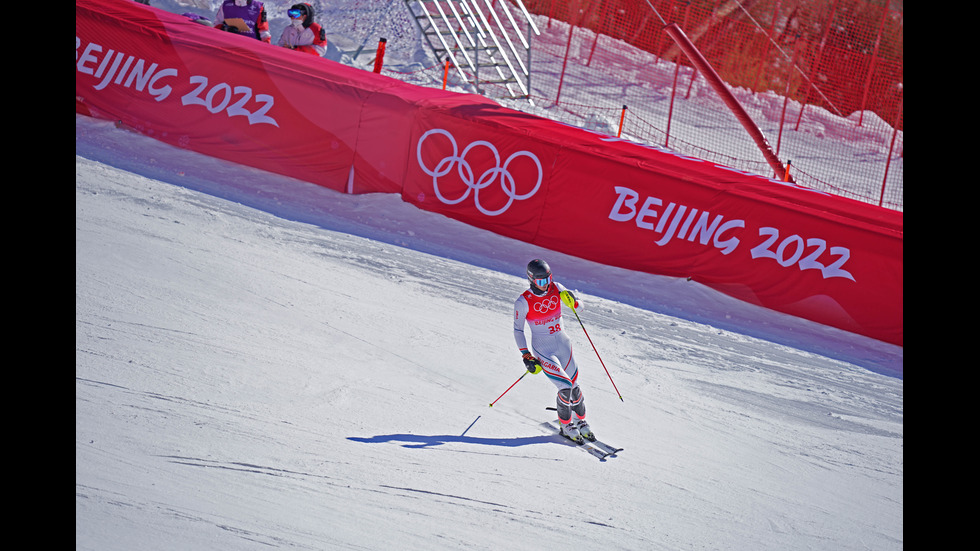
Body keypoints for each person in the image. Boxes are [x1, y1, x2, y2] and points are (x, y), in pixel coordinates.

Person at [513, 259, 593, 443]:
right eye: (541, 282)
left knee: (575, 387)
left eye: (548, 279)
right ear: (531, 280)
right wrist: (526, 355)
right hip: (543, 349)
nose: (546, 285)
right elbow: (518, 330)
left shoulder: (557, 287)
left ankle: (581, 421)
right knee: (565, 387)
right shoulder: (523, 301)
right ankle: (565, 425)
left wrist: (573, 301)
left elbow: (580, 307)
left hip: (563, 343)